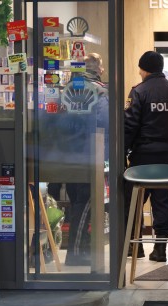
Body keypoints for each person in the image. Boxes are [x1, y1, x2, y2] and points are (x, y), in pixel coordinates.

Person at [124, 51, 168, 262]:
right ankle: (160, 249)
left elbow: (130, 125)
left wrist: (123, 150)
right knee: (163, 201)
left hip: (143, 157)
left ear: (143, 69)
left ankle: (135, 247)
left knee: (132, 200)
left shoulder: (139, 92)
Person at [62, 52, 108, 266]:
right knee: (86, 201)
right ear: (98, 69)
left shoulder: (65, 89)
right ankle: (76, 252)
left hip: (67, 153)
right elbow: (104, 122)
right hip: (90, 152)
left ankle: (81, 248)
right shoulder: (99, 91)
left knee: (77, 201)